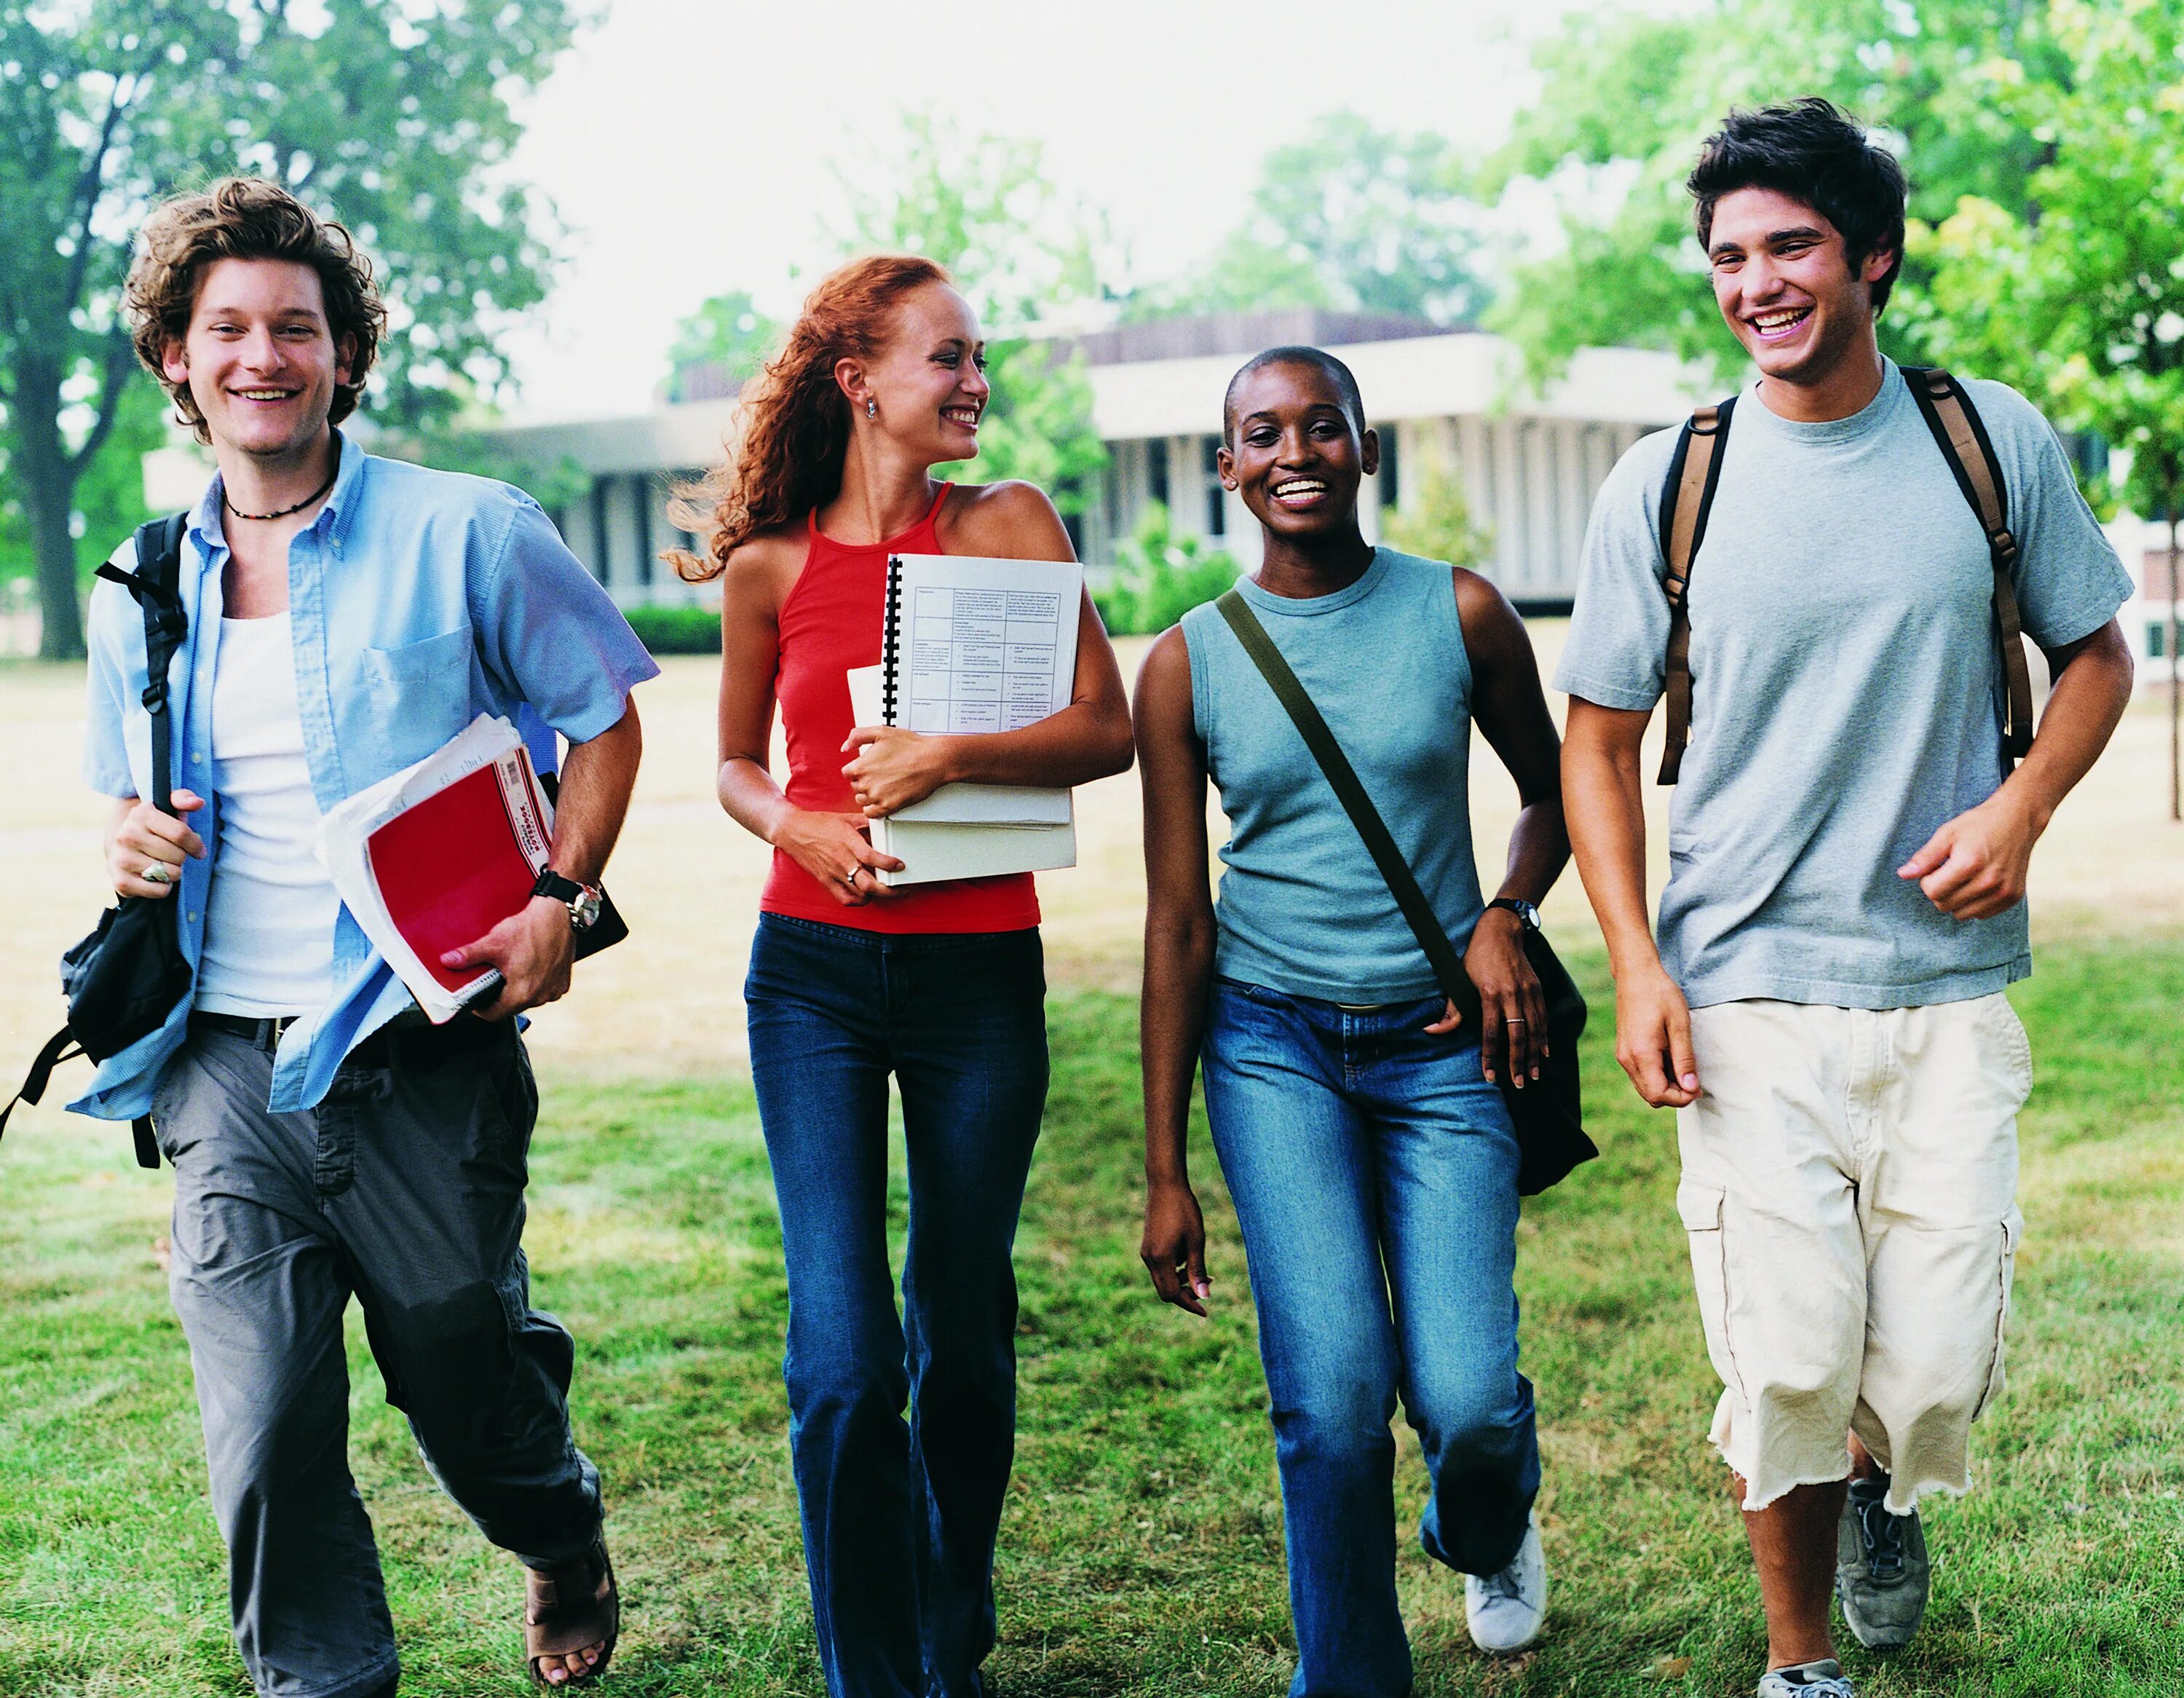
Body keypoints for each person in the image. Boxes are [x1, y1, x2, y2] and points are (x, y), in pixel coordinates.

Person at [1555, 102, 2135, 1698]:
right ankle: (1801, 1660)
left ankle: (1885, 1479)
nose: (1758, 281)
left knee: (1937, 1367)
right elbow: (1596, 738)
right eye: (1732, 255)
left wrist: (2025, 804)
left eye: (1791, 245)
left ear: (1868, 254)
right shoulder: (1669, 479)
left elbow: (2099, 652)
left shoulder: (1985, 439)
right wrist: (1634, 959)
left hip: (1948, 982)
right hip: (1741, 980)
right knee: (1790, 1352)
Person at [77, 178, 656, 1697]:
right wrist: (134, 845)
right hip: (218, 1062)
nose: (261, 353)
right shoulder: (139, 578)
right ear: (176, 359)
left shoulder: (471, 530)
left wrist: (558, 899)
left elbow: (602, 721)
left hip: (419, 1045)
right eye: (227, 329)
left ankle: (559, 1531)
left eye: (296, 326)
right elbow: (140, 814)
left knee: (464, 1377)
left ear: (344, 355)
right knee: (265, 1426)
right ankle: (325, 1681)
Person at [676, 253, 1132, 1698]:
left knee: (961, 1315)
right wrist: (795, 818)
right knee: (843, 1354)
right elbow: (739, 766)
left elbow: (1105, 725)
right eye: (949, 357)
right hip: (809, 976)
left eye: (977, 355)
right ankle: (873, 1673)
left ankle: (954, 1601)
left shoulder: (1006, 525)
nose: (976, 380)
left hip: (979, 975)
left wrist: (954, 755)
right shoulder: (772, 569)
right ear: (860, 381)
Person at [1134, 346, 1570, 1695]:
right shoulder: (1184, 664)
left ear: (1365, 450)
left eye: (1323, 427)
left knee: (1471, 1405)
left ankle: (1486, 1527)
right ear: (1228, 468)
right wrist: (1164, 1170)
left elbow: (1559, 797)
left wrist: (1503, 911)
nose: (1295, 452)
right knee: (1328, 1405)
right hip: (1271, 1050)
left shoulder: (1463, 612)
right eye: (1261, 434)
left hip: (1447, 1048)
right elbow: (1177, 925)